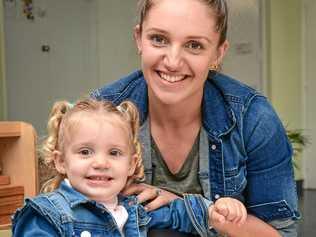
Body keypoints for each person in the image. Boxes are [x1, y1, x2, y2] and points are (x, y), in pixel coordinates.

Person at [90, 0, 300, 236]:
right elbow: (70, 216)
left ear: (218, 53)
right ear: (139, 38)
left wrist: (190, 211)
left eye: (194, 45)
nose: (172, 62)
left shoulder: (253, 118)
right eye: (159, 39)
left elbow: (281, 234)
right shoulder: (101, 112)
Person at [12, 98, 247, 236]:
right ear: (61, 161)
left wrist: (215, 210)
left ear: (131, 164)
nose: (101, 163)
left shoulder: (134, 209)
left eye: (114, 153)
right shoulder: (47, 214)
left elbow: (180, 213)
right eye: (85, 152)